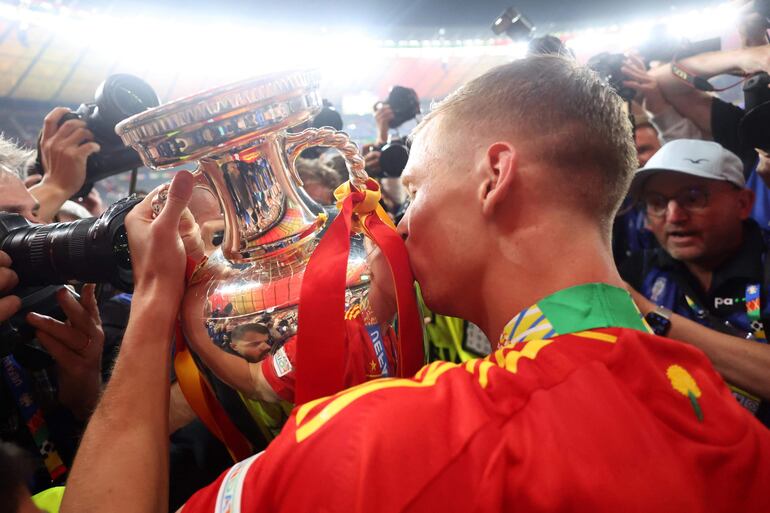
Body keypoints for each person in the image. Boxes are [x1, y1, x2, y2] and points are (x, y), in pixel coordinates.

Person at [60, 56, 770, 513]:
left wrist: (156, 301)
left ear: (494, 177)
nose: (398, 220)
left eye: (416, 191)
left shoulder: (395, 441)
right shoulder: (731, 421)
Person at [621, 138, 770, 426]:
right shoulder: (639, 271)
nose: (674, 216)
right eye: (657, 202)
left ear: (743, 203)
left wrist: (653, 315)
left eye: (693, 198)